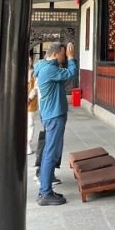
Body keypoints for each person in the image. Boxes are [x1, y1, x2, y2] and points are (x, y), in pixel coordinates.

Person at [34, 41, 78, 206]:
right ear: (55, 54)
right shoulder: (49, 69)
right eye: (63, 53)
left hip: (50, 113)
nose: (64, 56)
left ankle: (46, 177)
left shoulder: (44, 66)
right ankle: (45, 192)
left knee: (50, 150)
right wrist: (72, 58)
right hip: (54, 115)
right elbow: (71, 74)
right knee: (51, 152)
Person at [27, 56, 38, 155]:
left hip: (31, 100)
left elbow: (35, 87)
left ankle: (28, 143)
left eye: (30, 60)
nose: (29, 62)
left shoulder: (34, 73)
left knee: (30, 122)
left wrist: (30, 97)